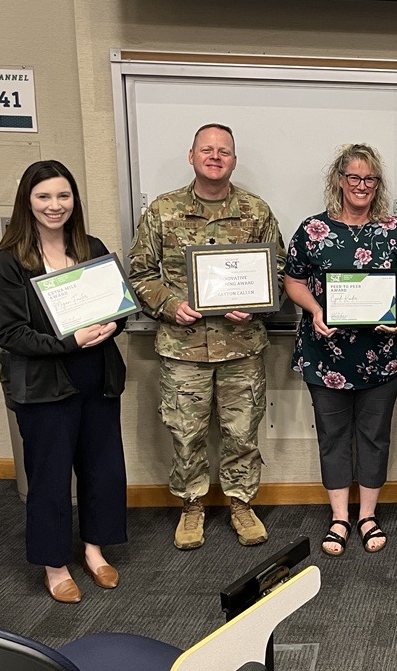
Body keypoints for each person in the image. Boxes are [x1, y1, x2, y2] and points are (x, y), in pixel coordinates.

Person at [128, 123, 286, 550]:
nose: (216, 156)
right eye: (207, 149)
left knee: (241, 432)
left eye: (225, 151)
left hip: (241, 345)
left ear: (233, 160)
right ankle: (192, 506)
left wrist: (257, 302)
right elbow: (139, 273)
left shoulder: (257, 211)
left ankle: (240, 503)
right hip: (183, 348)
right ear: (192, 155)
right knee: (186, 432)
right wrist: (168, 304)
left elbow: (280, 270)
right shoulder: (162, 211)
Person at [0, 160, 128, 603]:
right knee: (48, 477)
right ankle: (55, 565)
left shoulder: (91, 247)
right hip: (45, 386)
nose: (55, 205)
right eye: (44, 196)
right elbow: (10, 334)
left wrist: (111, 327)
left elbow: (115, 309)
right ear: (27, 201)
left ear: (74, 201)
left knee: (101, 468)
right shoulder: (9, 263)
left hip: (97, 377)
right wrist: (71, 341)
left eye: (63, 196)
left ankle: (93, 549)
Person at [283, 144, 397, 556]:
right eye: (354, 178)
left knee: (375, 436)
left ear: (377, 184)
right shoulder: (312, 230)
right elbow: (293, 280)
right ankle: (340, 517)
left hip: (383, 354)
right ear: (339, 181)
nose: (361, 186)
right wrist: (314, 309)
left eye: (369, 179)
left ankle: (368, 515)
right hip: (325, 353)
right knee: (333, 435)